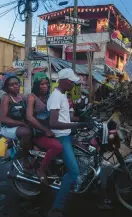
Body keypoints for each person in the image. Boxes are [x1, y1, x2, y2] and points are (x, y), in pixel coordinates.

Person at [47, 68, 91, 217]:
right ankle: (56, 208)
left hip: (67, 134)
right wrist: (75, 125)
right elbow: (53, 123)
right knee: (74, 172)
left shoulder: (63, 96)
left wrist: (83, 120)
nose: (73, 84)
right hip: (61, 137)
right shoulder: (56, 96)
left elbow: (65, 118)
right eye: (72, 82)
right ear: (64, 81)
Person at [26, 72, 62, 185]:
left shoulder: (49, 96)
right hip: (38, 132)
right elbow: (29, 117)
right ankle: (40, 170)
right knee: (58, 147)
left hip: (51, 130)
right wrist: (45, 130)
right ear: (36, 85)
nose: (45, 86)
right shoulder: (32, 97)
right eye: (42, 84)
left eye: (46, 83)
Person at [0, 73, 32, 169]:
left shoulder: (22, 97)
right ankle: (24, 157)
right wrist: (22, 123)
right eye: (11, 85)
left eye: (16, 83)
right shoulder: (6, 98)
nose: (15, 86)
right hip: (8, 127)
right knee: (27, 132)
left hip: (20, 125)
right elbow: (3, 118)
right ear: (7, 87)